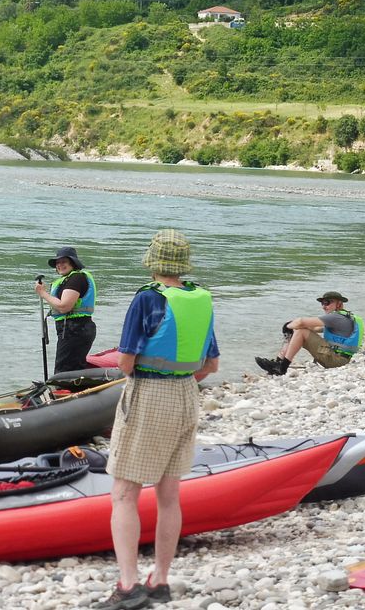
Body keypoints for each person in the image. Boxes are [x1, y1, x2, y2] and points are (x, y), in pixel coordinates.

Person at [97, 229, 220, 610]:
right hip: (186, 395)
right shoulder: (200, 298)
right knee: (169, 494)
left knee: (124, 493)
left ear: (153, 261)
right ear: (183, 264)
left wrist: (141, 373)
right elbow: (211, 364)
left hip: (149, 394)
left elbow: (127, 361)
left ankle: (129, 586)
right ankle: (160, 581)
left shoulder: (147, 298)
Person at [254, 291, 363, 375]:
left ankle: (282, 367)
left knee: (300, 330)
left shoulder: (335, 317)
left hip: (335, 360)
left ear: (339, 304)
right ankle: (278, 362)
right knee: (299, 330)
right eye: (322, 303)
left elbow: (301, 322)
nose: (324, 306)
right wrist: (293, 328)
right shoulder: (346, 317)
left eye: (327, 302)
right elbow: (315, 329)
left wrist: (287, 326)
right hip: (339, 359)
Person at [35, 246, 97, 374]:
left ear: (73, 263)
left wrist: (43, 293)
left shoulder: (76, 279)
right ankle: (76, 391)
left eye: (64, 262)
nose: (59, 265)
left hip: (75, 330)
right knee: (72, 369)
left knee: (64, 372)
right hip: (75, 329)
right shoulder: (69, 279)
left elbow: (64, 306)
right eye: (58, 262)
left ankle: (67, 392)